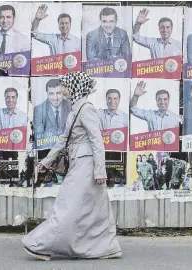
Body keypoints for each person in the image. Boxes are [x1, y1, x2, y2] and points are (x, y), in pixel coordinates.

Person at [22, 71, 122, 261]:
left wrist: (100, 170)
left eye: (66, 85)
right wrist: (45, 162)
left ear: (75, 87)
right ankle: (106, 247)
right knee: (95, 209)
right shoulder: (76, 108)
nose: (63, 89)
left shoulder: (86, 109)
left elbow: (97, 141)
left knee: (67, 205)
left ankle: (41, 244)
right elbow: (63, 141)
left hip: (87, 164)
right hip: (80, 162)